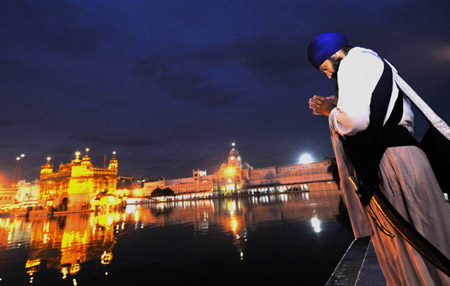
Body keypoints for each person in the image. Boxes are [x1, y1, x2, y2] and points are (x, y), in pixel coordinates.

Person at [306, 32, 450, 285]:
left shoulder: (352, 63)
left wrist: (332, 112)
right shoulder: (374, 62)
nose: (328, 75)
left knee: (409, 246)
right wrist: (340, 102)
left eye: (325, 68)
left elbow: (355, 121)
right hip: (407, 156)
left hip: (391, 163)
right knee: (430, 232)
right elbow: (374, 107)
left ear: (335, 54)